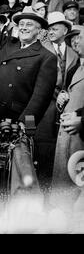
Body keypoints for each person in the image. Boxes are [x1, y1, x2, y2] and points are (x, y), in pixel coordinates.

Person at [0, 6, 57, 126]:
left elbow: (40, 98)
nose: (24, 28)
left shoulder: (46, 57)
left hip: (12, 118)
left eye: (29, 24)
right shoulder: (7, 44)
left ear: (39, 31)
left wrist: (25, 122)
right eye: (21, 24)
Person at [35, 12, 78, 190]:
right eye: (49, 28)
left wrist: (66, 93)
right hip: (45, 110)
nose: (50, 30)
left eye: (55, 27)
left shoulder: (75, 52)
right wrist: (57, 93)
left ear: (65, 30)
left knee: (60, 154)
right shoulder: (41, 47)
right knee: (43, 153)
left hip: (66, 113)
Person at [51, 26, 84, 210]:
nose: (75, 41)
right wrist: (63, 98)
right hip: (68, 142)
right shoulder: (75, 68)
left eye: (79, 37)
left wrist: (82, 120)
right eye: (72, 39)